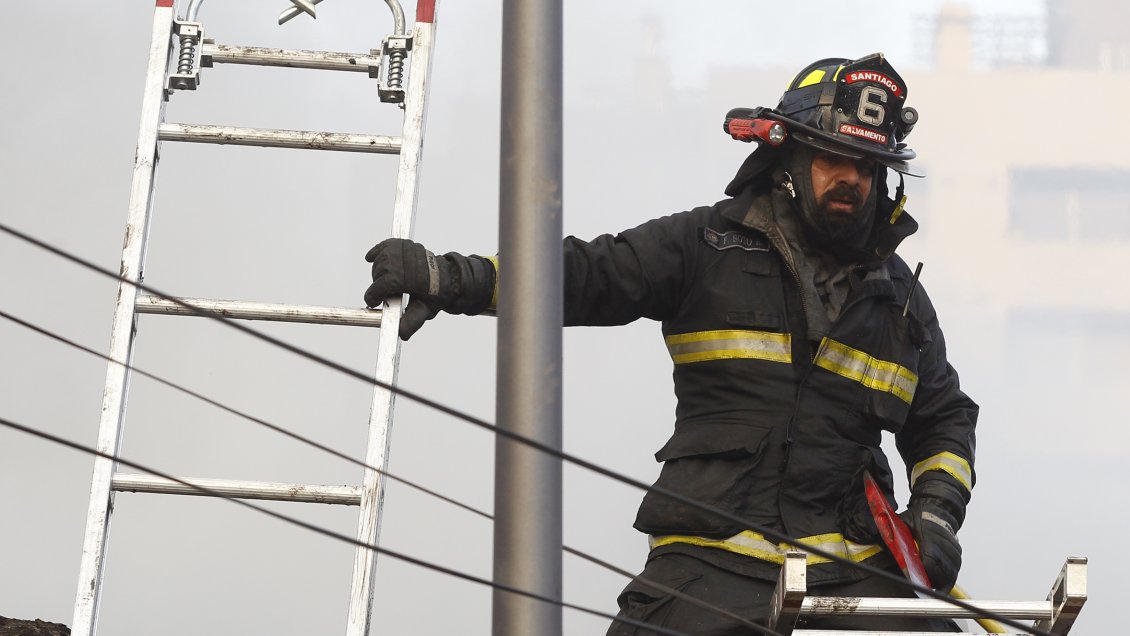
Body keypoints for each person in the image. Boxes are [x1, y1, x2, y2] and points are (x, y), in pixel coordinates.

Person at [363, 53, 977, 634]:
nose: (851, 180)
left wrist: (936, 513)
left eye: (867, 168)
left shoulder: (900, 302)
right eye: (831, 160)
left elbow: (945, 419)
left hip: (856, 570)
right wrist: (453, 278)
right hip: (711, 564)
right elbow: (585, 275)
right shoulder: (704, 248)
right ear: (786, 161)